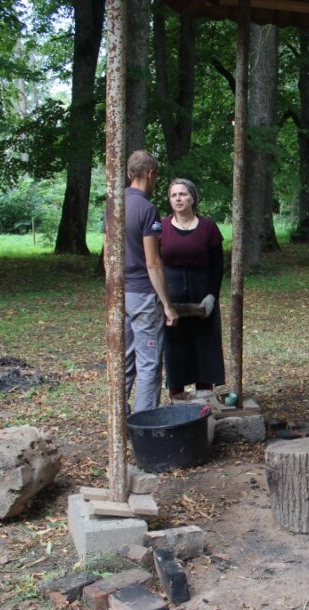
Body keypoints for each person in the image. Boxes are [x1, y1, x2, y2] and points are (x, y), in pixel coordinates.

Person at [121, 150, 178, 413]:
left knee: (125, 360)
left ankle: (119, 418)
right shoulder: (147, 209)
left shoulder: (114, 204)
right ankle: (144, 427)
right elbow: (152, 262)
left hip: (121, 293)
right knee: (149, 363)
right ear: (150, 174)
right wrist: (167, 304)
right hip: (143, 294)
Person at [160, 178, 225, 399]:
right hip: (172, 297)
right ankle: (177, 401)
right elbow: (154, 263)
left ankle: (204, 401)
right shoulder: (162, 227)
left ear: (193, 198)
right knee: (175, 349)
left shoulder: (208, 227)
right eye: (173, 195)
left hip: (202, 296)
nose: (178, 198)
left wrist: (211, 297)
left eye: (183, 194)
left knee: (205, 348)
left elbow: (218, 266)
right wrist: (162, 299)